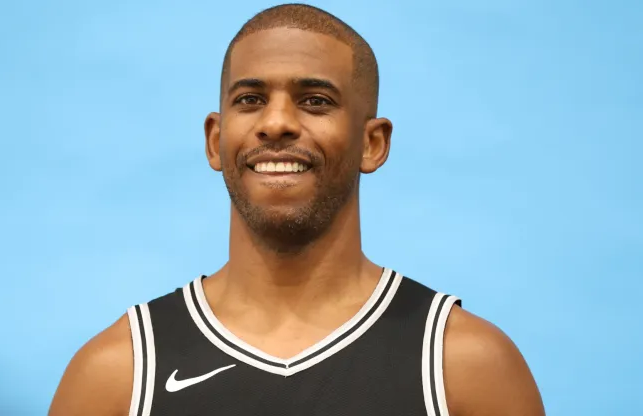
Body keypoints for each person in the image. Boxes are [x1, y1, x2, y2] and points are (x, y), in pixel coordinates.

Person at [48, 4, 545, 416]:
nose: (277, 122)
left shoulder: (463, 366)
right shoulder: (121, 374)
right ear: (215, 141)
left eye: (314, 100)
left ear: (372, 143)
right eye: (250, 99)